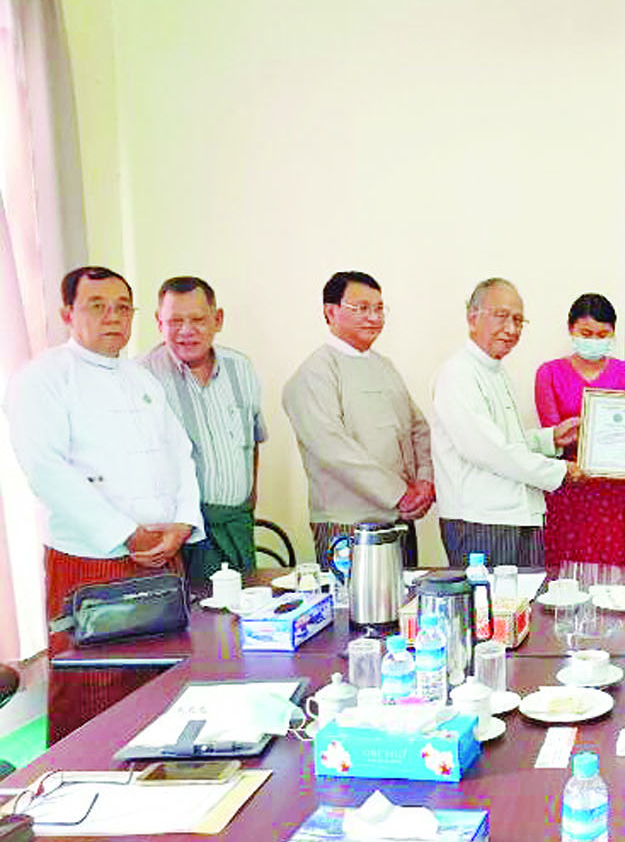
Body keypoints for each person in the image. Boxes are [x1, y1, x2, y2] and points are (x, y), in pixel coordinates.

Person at [5, 266, 202, 741]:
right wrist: (126, 534)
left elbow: (180, 453)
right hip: (92, 562)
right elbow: (46, 470)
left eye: (122, 307)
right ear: (67, 314)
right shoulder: (42, 378)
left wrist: (181, 523)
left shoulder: (141, 378)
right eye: (97, 306)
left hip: (162, 558)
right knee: (94, 685)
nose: (113, 317)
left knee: (164, 683)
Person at [282, 271, 433, 567]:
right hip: (348, 524)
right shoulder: (316, 372)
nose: (373, 317)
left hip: (399, 518)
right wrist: (399, 494)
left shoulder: (384, 366)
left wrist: (425, 482)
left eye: (379, 308)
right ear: (331, 312)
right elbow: (332, 448)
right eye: (362, 308)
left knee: (404, 596)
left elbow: (418, 428)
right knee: (353, 598)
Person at [435, 278, 582, 568]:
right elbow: (488, 450)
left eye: (518, 320)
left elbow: (507, 441)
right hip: (481, 522)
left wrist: (551, 438)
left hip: (516, 516)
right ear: (472, 318)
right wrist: (560, 471)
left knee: (526, 596)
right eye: (501, 316)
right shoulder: (459, 373)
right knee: (489, 598)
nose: (512, 329)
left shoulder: (497, 372)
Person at [142, 275, 267, 578]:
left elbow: (253, 440)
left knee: (243, 605)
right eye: (175, 321)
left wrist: (248, 503)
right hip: (177, 539)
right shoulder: (141, 377)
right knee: (190, 609)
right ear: (159, 322)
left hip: (236, 525)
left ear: (217, 319)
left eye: (197, 319)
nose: (186, 331)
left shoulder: (241, 368)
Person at [534, 294, 625, 568]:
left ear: (613, 333)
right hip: (567, 487)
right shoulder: (549, 373)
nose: (594, 340)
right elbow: (552, 435)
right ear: (570, 329)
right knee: (563, 574)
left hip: (612, 493)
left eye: (602, 334)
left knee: (611, 575)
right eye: (586, 333)